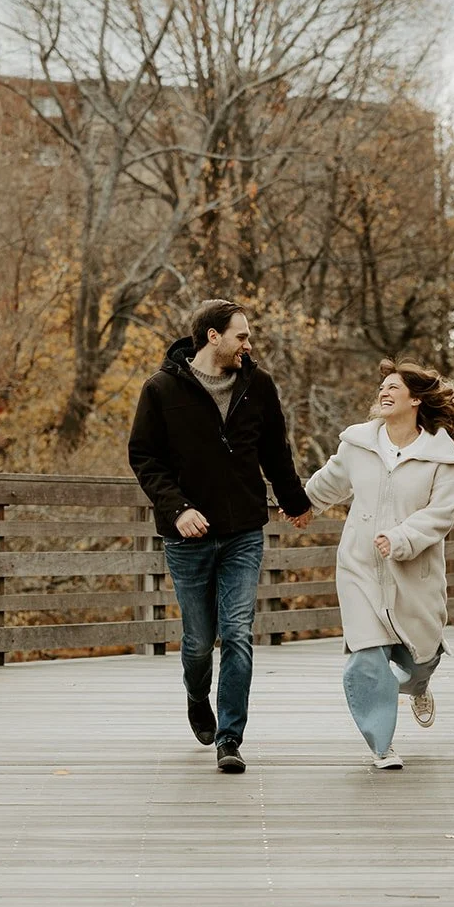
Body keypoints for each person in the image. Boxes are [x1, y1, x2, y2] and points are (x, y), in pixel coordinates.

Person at [128, 299, 313, 774]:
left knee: (237, 635)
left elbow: (276, 451)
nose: (248, 345)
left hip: (244, 532)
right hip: (187, 535)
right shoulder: (161, 389)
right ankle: (195, 695)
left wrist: (295, 502)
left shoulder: (258, 385)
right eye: (242, 336)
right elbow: (145, 459)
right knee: (197, 640)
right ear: (213, 336)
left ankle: (230, 738)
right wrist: (178, 508)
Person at [304, 359, 454, 768]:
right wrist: (300, 505)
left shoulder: (442, 458)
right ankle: (381, 745)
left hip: (413, 571)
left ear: (416, 399)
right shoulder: (358, 444)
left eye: (393, 388)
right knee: (366, 657)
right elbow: (328, 482)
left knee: (421, 658)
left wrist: (401, 538)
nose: (383, 394)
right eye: (381, 387)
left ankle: (420, 685)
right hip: (359, 565)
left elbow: (441, 513)